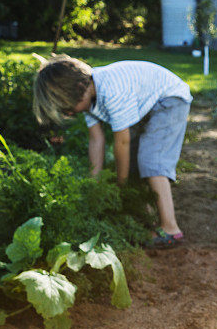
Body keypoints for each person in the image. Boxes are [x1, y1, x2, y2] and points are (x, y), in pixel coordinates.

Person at [32, 55, 192, 248]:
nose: (68, 114)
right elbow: (96, 140)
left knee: (152, 161)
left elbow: (122, 142)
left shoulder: (111, 91)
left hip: (168, 99)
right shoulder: (90, 99)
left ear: (78, 90)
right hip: (145, 105)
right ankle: (149, 220)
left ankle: (170, 229)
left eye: (67, 108)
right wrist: (94, 185)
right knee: (135, 164)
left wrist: (121, 186)